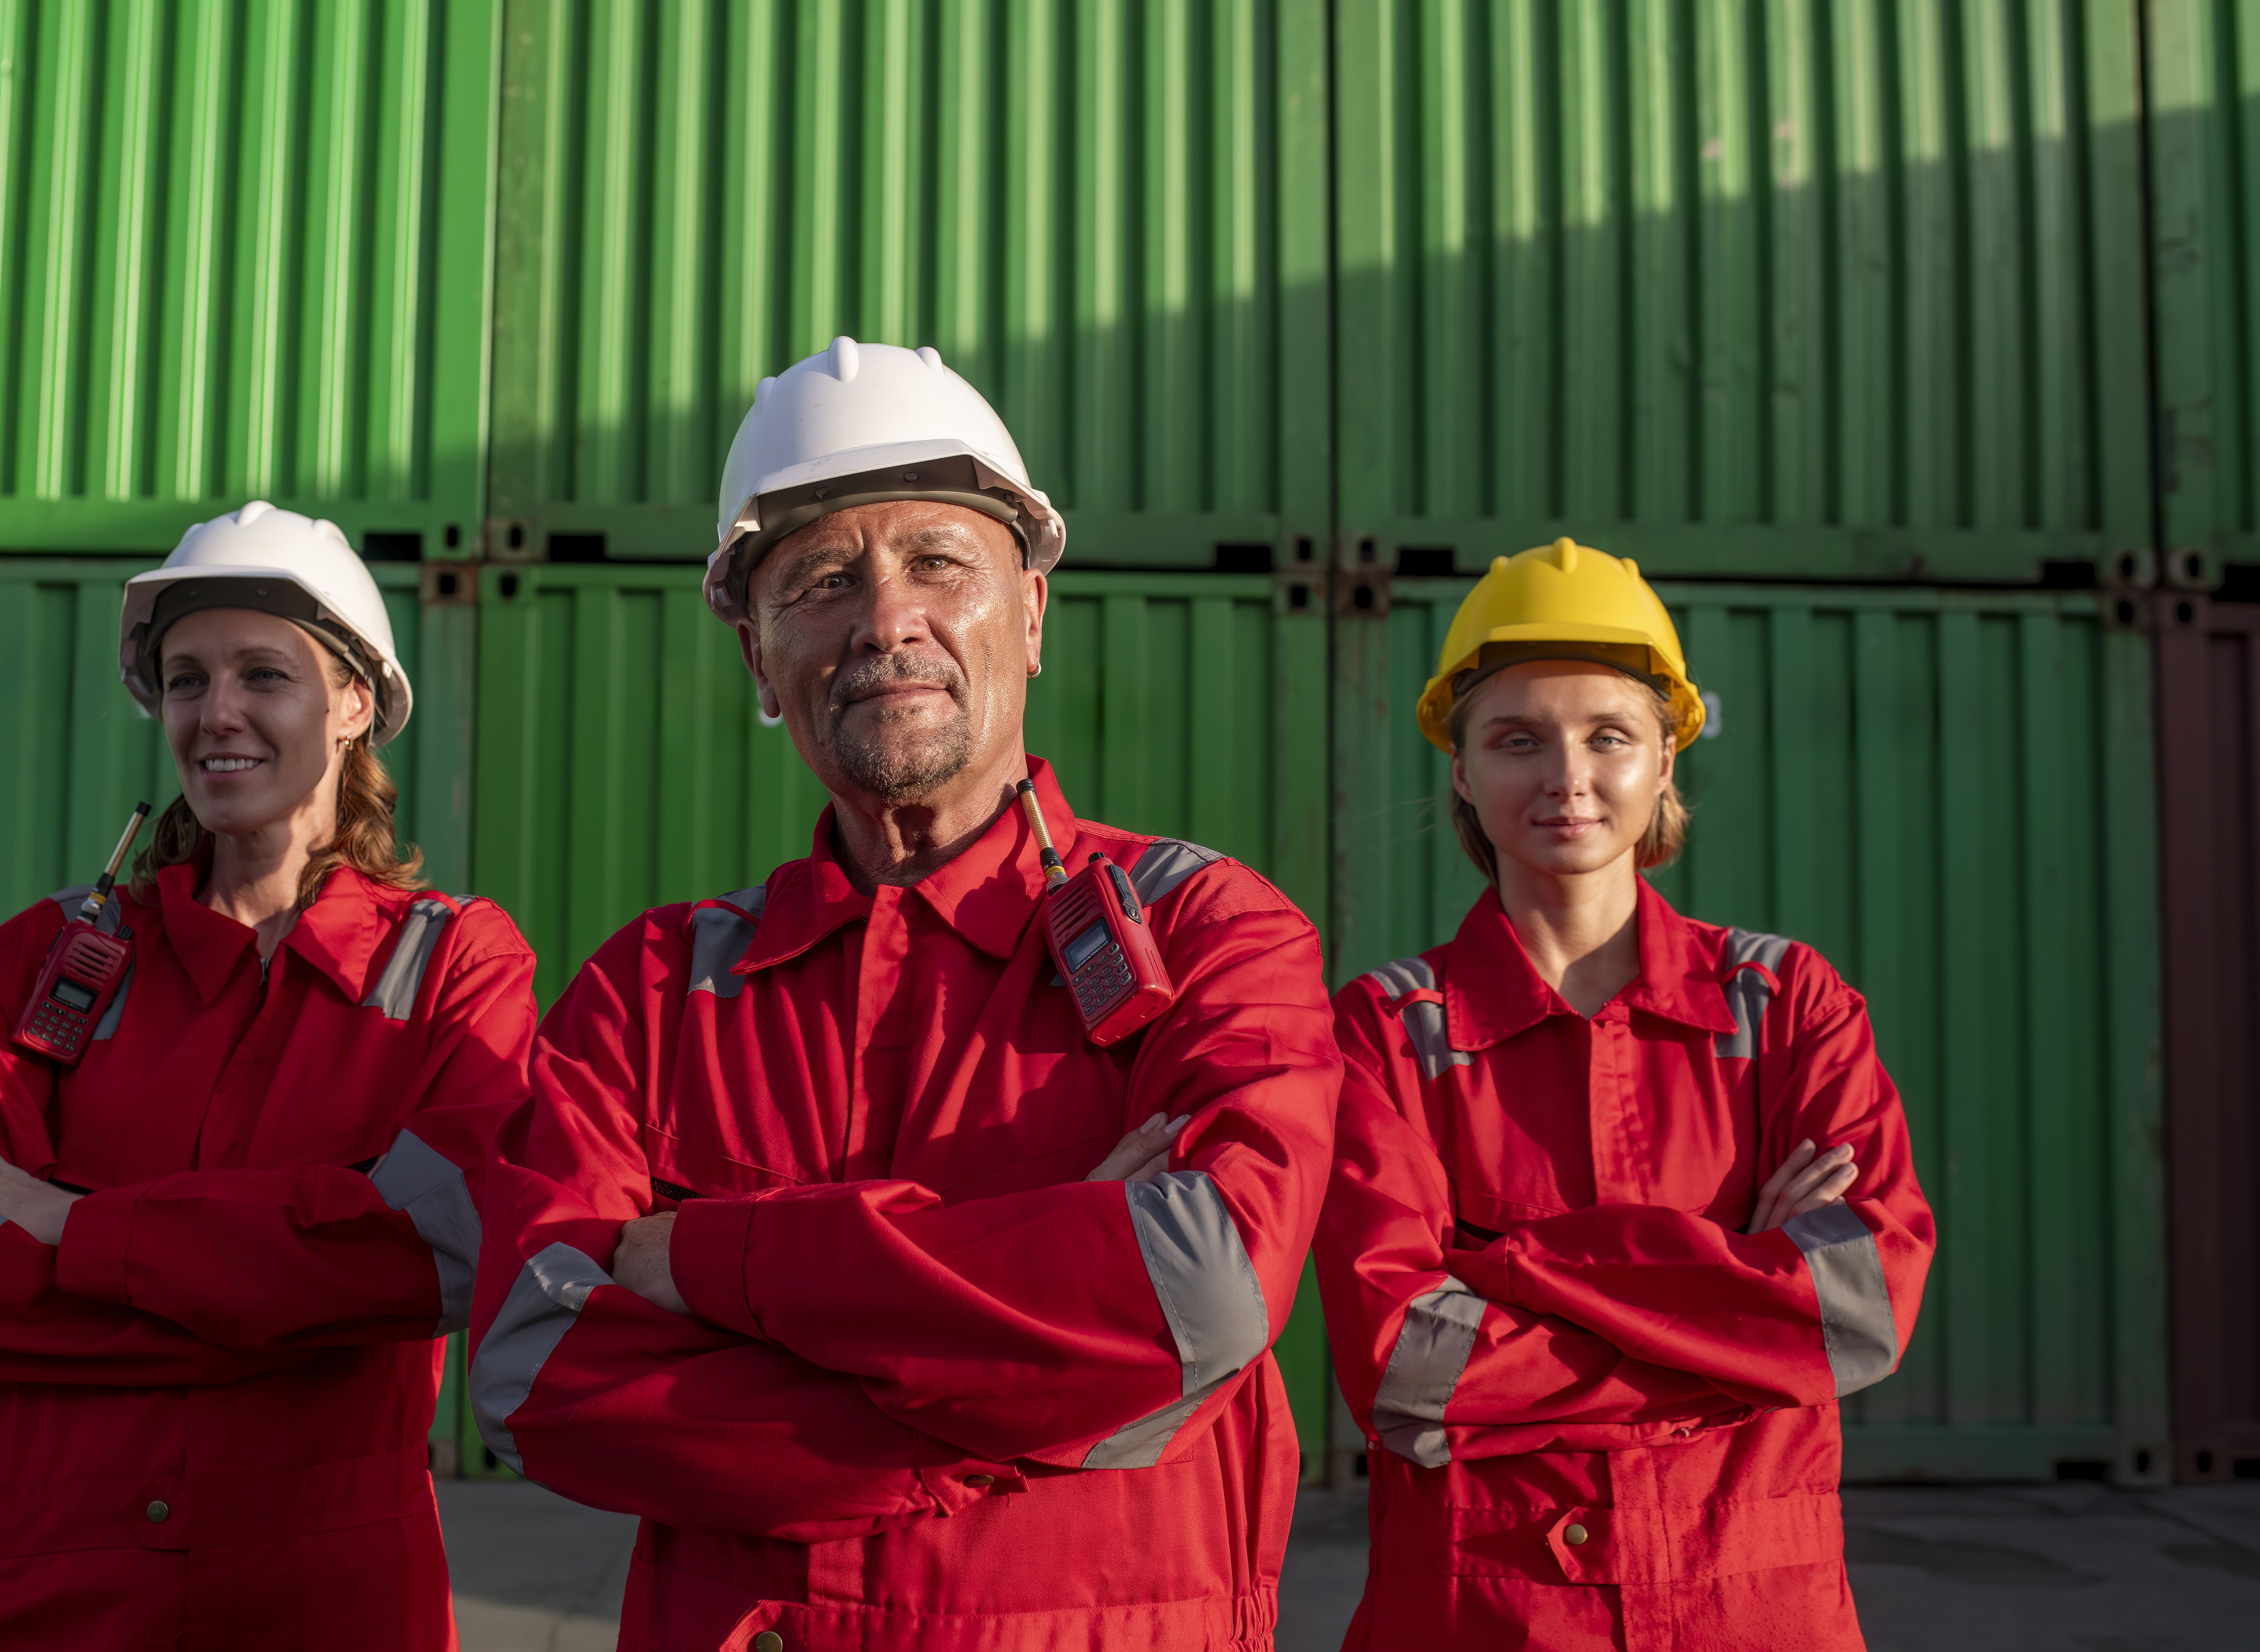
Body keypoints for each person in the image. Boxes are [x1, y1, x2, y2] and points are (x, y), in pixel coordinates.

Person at [460, 338, 1339, 1649]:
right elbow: (536, 1375)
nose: (885, 621)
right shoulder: (652, 992)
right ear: (759, 660)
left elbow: (1201, 1292)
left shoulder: (1207, 932)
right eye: (822, 581)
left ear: (1030, 617)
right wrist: (1036, 1382)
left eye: (940, 563)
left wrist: (708, 1259)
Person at [0, 502, 536, 1650]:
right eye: (186, 680)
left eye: (263, 674)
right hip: (25, 1599)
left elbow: (440, 1250)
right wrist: (284, 1291)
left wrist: (77, 1234)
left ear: (355, 703)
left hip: (314, 1602)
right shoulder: (38, 964)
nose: (217, 713)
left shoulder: (456, 964)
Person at [1312, 539, 1937, 1651]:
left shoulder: (1788, 1004)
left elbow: (1861, 1309)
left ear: (1662, 765)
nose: (1566, 777)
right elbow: (1405, 1366)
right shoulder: (1382, 1032)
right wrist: (1741, 1288)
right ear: (1460, 771)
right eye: (1516, 740)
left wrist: (1505, 1272)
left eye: (1609, 736)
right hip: (1481, 1616)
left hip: (1753, 1614)